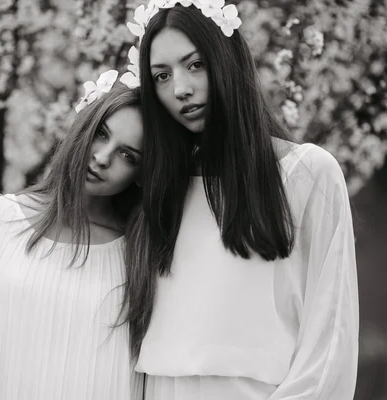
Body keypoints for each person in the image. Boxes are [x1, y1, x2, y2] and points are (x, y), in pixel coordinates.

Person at [118, 2, 359, 399]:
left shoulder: (307, 173)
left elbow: (331, 336)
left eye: (195, 64)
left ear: (226, 59)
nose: (180, 88)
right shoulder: (157, 189)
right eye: (161, 75)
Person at [0, 73, 145, 400]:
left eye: (127, 155)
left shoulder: (138, 254)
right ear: (83, 127)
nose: (102, 158)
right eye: (101, 135)